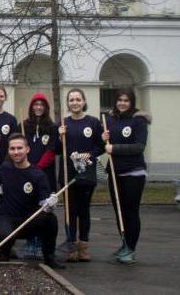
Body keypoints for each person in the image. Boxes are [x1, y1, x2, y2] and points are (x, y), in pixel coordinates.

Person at [0, 133, 64, 269]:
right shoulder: (5, 168)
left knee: (50, 220)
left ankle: (49, 257)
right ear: (8, 151)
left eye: (19, 148)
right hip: (8, 217)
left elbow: (45, 204)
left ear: (27, 149)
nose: (16, 152)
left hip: (29, 221)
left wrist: (51, 203)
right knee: (3, 235)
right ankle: (4, 253)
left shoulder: (38, 174)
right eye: (12, 149)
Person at [102, 87, 151, 265]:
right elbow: (106, 144)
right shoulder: (110, 119)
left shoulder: (138, 120)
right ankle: (124, 244)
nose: (122, 103)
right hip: (115, 172)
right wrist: (104, 137)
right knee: (119, 212)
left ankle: (131, 248)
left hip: (134, 172)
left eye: (126, 100)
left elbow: (139, 146)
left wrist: (114, 148)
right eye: (119, 100)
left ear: (132, 102)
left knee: (131, 211)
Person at [57, 88, 105, 262]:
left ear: (84, 102)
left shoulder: (93, 122)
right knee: (70, 211)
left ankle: (83, 247)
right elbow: (56, 150)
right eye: (71, 100)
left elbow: (100, 146)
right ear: (68, 103)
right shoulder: (63, 123)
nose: (75, 103)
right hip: (68, 174)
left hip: (87, 174)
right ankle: (70, 247)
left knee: (84, 211)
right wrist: (60, 137)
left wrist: (90, 154)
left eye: (78, 99)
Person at [19, 93, 58, 191]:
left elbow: (52, 150)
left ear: (46, 108)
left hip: (45, 171)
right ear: (32, 107)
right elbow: (18, 148)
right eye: (36, 104)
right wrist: (27, 166)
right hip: (26, 169)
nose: (39, 107)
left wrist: (37, 168)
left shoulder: (52, 127)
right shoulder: (23, 126)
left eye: (42, 105)